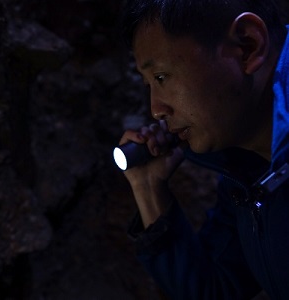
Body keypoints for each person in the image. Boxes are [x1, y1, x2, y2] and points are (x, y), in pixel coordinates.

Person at [117, 0, 289, 299]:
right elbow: (216, 289)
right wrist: (148, 189)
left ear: (247, 45)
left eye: (161, 77)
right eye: (149, 85)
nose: (156, 109)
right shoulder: (249, 168)